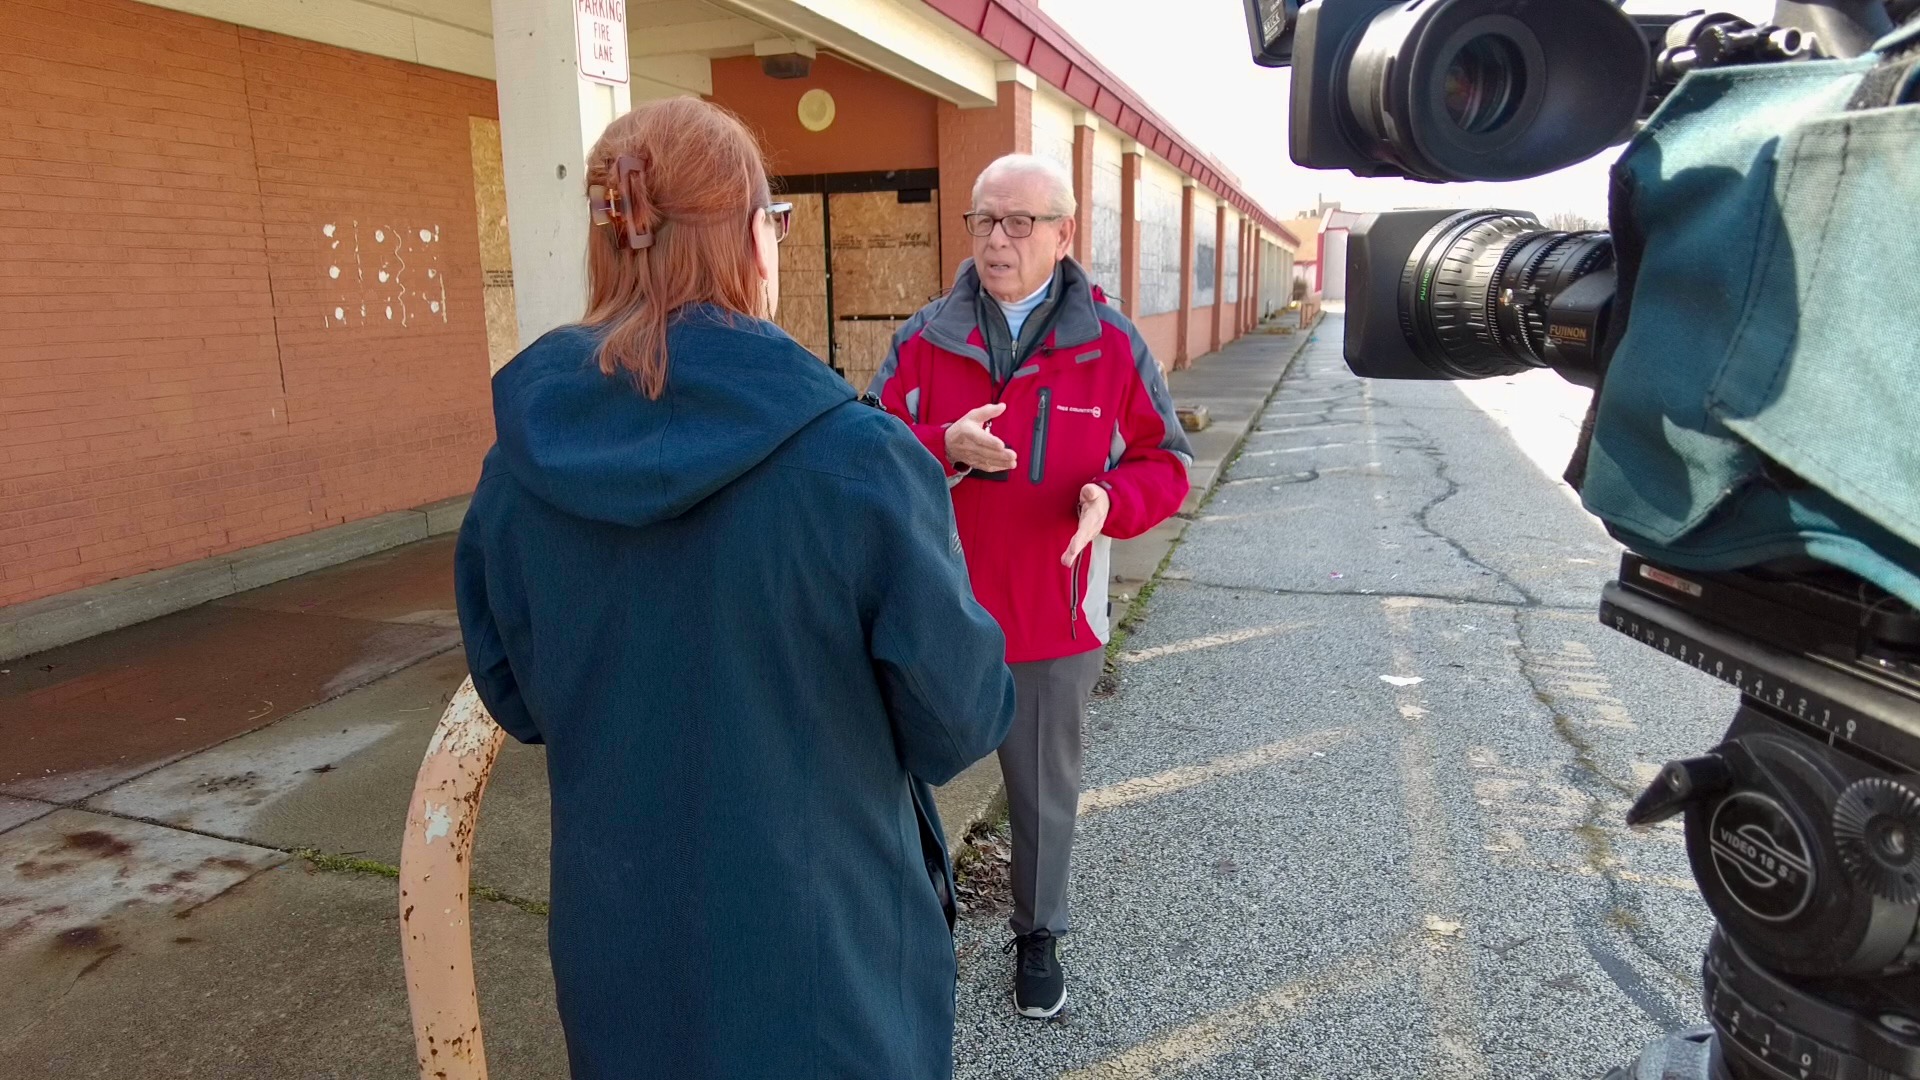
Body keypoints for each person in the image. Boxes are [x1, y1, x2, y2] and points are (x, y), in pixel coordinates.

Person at [453, 97, 1016, 1080]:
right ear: (755, 239)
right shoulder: (858, 461)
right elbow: (957, 718)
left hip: (623, 969)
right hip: (827, 982)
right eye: (777, 222)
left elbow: (517, 696)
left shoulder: (518, 473)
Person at [868, 153, 1193, 1019]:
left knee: (1043, 798)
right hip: (937, 611)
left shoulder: (1111, 345)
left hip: (1054, 617)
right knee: (892, 777)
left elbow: (1167, 462)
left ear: (1063, 234)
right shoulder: (925, 338)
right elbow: (869, 448)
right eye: (983, 220)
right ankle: (909, 925)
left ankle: (1037, 935)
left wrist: (1111, 499)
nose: (996, 240)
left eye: (1019, 222)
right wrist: (943, 445)